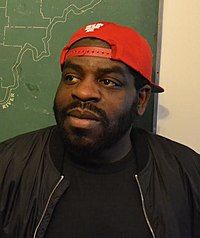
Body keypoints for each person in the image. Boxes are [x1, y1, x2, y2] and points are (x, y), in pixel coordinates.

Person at [0, 21, 199, 238]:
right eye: (71, 77)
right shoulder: (7, 165)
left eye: (108, 81)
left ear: (141, 99)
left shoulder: (188, 175)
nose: (83, 92)